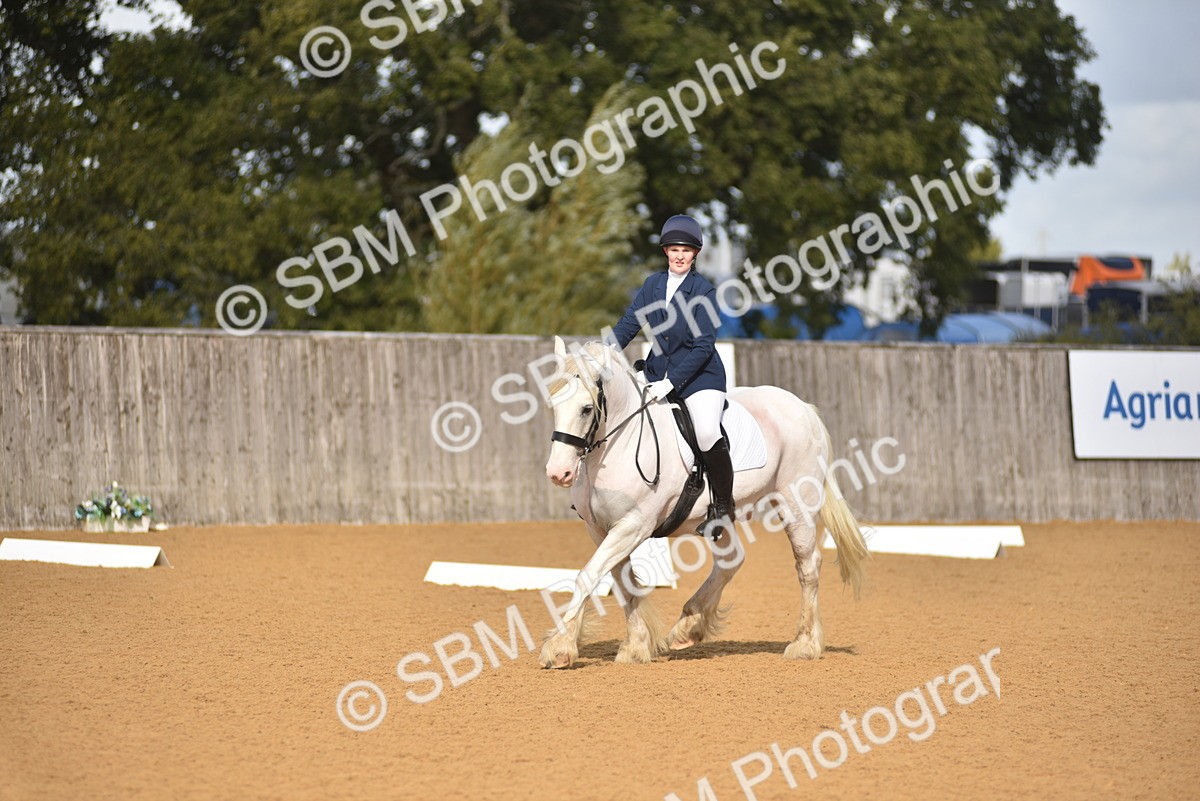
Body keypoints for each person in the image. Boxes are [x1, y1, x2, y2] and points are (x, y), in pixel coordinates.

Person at [609, 214, 734, 539]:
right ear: (665, 250)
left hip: (700, 376)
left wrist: (672, 382)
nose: (680, 255)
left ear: (695, 254)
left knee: (706, 431)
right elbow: (628, 324)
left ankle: (723, 506)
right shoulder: (652, 285)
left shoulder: (703, 292)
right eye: (674, 248)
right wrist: (601, 351)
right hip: (656, 371)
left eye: (686, 250)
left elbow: (704, 345)